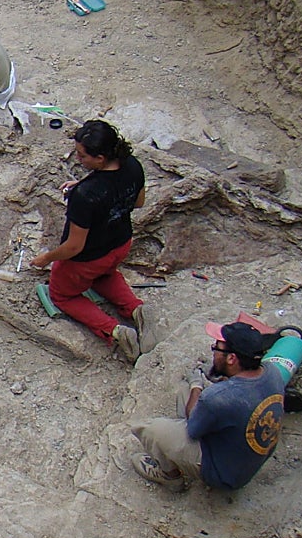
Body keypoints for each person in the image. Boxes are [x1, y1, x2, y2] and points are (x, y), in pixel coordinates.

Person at [30, 119, 156, 362]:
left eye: (82, 155)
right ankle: (137, 310)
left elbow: (74, 247)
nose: (78, 159)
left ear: (100, 158)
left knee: (62, 295)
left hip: (87, 258)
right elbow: (138, 202)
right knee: (105, 275)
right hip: (120, 243)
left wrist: (46, 258)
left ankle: (114, 330)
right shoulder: (131, 165)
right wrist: (85, 185)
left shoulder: (85, 197)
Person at [130, 321, 286, 491]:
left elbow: (193, 429)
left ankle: (171, 477)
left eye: (216, 348)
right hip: (247, 460)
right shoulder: (272, 371)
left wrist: (196, 385)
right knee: (186, 392)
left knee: (150, 429)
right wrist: (223, 376)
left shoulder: (217, 399)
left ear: (232, 358)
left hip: (224, 476)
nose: (213, 352)